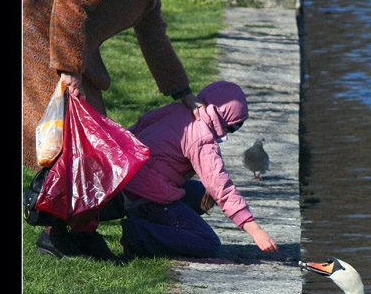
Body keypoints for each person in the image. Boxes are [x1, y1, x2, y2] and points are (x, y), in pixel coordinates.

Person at [23, 0, 229, 261]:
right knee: (74, 145)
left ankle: (80, 232)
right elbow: (70, 0)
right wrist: (69, 68)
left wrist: (183, 94)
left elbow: (154, 38)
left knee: (94, 147)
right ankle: (59, 234)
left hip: (71, 52)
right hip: (39, 40)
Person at [119, 80, 278, 260]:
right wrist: (254, 230)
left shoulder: (175, 110)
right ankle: (139, 233)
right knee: (209, 243)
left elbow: (137, 128)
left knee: (203, 195)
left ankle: (152, 218)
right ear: (224, 118)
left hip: (129, 178)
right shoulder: (202, 137)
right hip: (147, 197)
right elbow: (221, 187)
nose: (229, 132)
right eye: (234, 126)